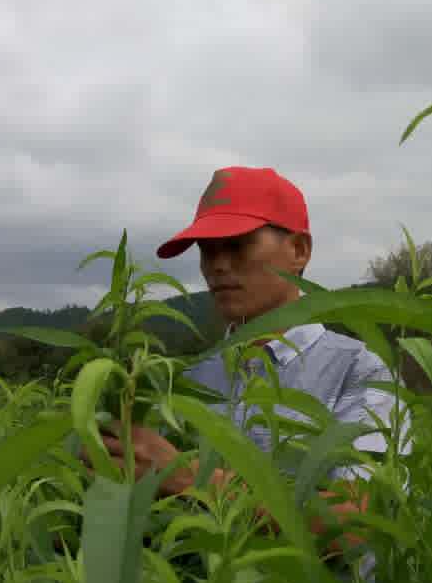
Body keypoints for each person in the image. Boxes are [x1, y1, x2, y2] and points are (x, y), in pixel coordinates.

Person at [94, 165, 408, 543]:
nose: (218, 265)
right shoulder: (189, 382)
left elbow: (362, 523)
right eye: (207, 251)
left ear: (299, 250)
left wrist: (186, 477)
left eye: (238, 244)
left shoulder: (361, 371)